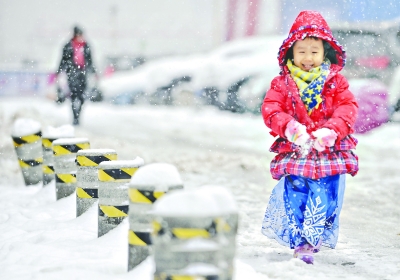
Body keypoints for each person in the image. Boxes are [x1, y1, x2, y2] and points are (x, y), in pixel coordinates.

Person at [260, 10, 359, 264]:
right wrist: (290, 128)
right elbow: (271, 110)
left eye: (314, 51)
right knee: (296, 194)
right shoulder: (282, 83)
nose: (308, 58)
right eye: (301, 51)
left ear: (325, 52)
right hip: (297, 151)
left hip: (327, 151)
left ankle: (312, 238)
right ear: (290, 52)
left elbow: (347, 109)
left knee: (323, 196)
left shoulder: (336, 82)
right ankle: (299, 237)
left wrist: (333, 130)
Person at [56, 25, 97, 125]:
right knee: (74, 96)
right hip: (72, 73)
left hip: (83, 73)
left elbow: (90, 60)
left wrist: (94, 72)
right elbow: (63, 60)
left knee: (82, 96)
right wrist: (59, 71)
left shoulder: (86, 45)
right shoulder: (68, 45)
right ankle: (75, 117)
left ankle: (78, 115)